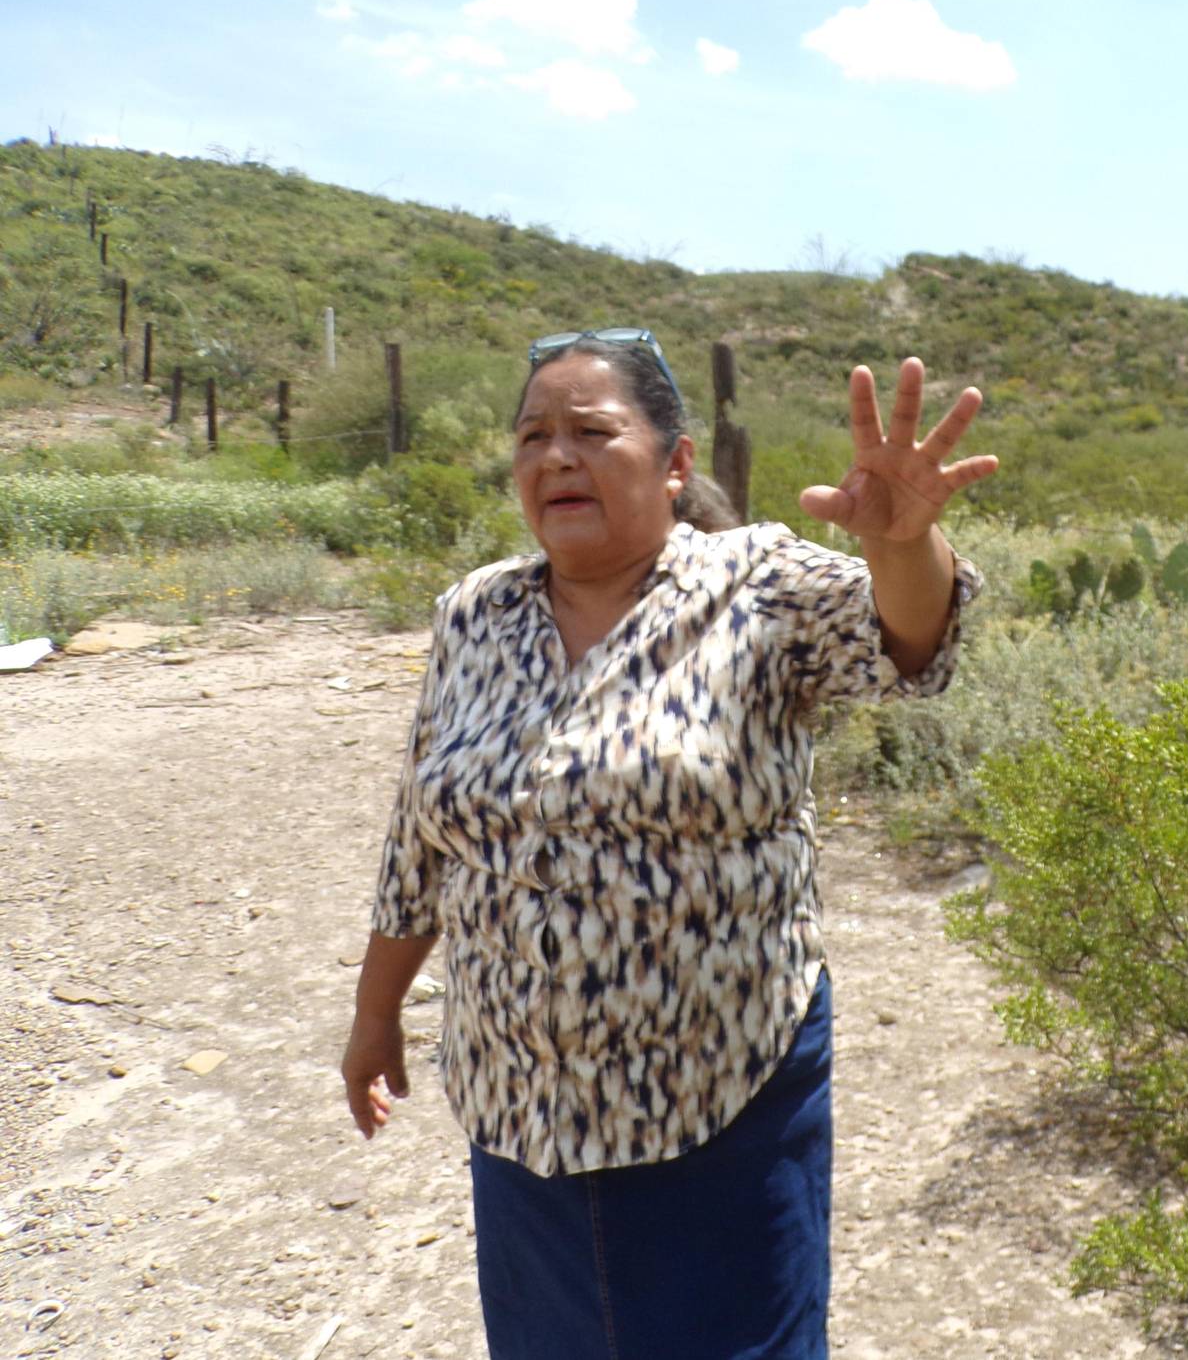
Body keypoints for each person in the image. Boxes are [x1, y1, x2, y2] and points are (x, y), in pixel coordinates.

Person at [337, 329, 995, 1359]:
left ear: (677, 463)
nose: (556, 457)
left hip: (720, 1093)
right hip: (519, 1109)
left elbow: (904, 645)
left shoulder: (755, 585)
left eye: (592, 432)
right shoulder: (473, 614)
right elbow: (418, 836)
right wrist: (375, 1015)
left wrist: (901, 544)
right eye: (532, 437)